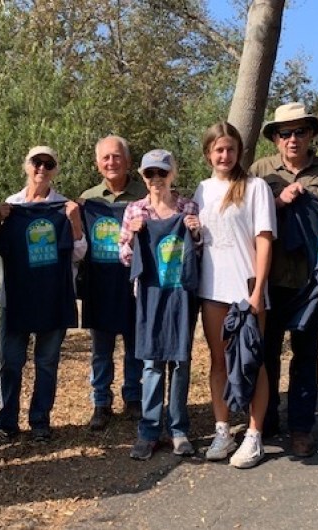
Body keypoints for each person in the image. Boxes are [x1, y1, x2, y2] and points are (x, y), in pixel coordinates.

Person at [249, 102, 318, 458]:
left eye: (300, 131)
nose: (293, 139)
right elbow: (246, 220)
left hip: (311, 282)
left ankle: (301, 428)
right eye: (285, 133)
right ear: (275, 139)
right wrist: (277, 202)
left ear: (311, 134)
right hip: (269, 278)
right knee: (266, 353)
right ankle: (264, 421)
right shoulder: (259, 171)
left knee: (306, 354)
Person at [0, 146, 86, 447]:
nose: (41, 168)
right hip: (16, 299)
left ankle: (40, 420)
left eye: (48, 164)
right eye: (36, 163)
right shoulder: (10, 207)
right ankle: (6, 422)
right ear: (25, 166)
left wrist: (74, 221)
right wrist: (0, 221)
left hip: (53, 297)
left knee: (47, 362)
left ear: (55, 170)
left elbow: (80, 253)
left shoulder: (64, 208)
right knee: (11, 362)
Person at [193, 122, 276, 469]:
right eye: (218, 150)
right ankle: (223, 429)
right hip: (212, 289)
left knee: (252, 361)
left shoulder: (256, 188)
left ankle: (254, 435)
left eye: (230, 149)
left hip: (245, 289)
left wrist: (258, 289)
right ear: (208, 154)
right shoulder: (202, 190)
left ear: (239, 151)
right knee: (220, 361)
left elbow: (264, 239)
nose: (224, 155)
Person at [118, 149, 201, 460]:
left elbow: (201, 253)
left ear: (172, 174)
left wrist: (196, 231)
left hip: (181, 296)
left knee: (181, 361)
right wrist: (132, 239)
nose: (156, 179)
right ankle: (149, 430)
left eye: (162, 173)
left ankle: (179, 429)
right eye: (150, 173)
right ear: (142, 176)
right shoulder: (135, 211)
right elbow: (123, 257)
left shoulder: (189, 207)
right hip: (150, 296)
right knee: (152, 362)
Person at [79, 135, 148, 430]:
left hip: (134, 282)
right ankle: (101, 402)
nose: (111, 162)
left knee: (135, 345)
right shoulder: (87, 200)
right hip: (100, 283)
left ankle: (133, 398)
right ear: (98, 164)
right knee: (101, 349)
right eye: (106, 158)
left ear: (128, 161)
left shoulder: (144, 194)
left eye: (117, 157)